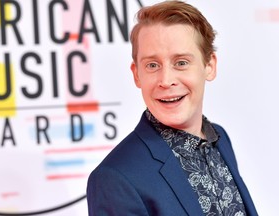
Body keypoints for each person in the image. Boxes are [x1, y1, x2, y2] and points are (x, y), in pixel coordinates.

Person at [87, 1, 258, 215]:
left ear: (210, 66)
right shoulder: (115, 178)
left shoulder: (220, 139)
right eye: (152, 65)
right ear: (137, 74)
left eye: (181, 62)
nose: (166, 80)